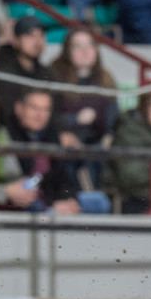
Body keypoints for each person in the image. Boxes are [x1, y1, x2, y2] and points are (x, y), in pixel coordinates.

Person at [51, 27, 119, 196]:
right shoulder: (54, 75)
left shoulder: (106, 78)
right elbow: (47, 117)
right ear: (67, 50)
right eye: (78, 46)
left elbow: (114, 119)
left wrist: (110, 136)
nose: (85, 51)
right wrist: (73, 121)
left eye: (89, 45)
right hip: (65, 143)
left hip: (97, 147)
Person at [1, 89, 83, 214]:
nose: (40, 115)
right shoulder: (6, 135)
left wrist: (68, 200)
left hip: (50, 201)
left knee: (98, 202)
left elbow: (63, 178)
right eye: (34, 108)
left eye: (46, 109)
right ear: (19, 108)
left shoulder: (50, 134)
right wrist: (52, 206)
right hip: (26, 204)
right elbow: (18, 185)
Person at [0, 16, 56, 128]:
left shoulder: (47, 73)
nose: (37, 41)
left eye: (41, 35)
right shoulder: (2, 73)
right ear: (15, 40)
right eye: (30, 35)